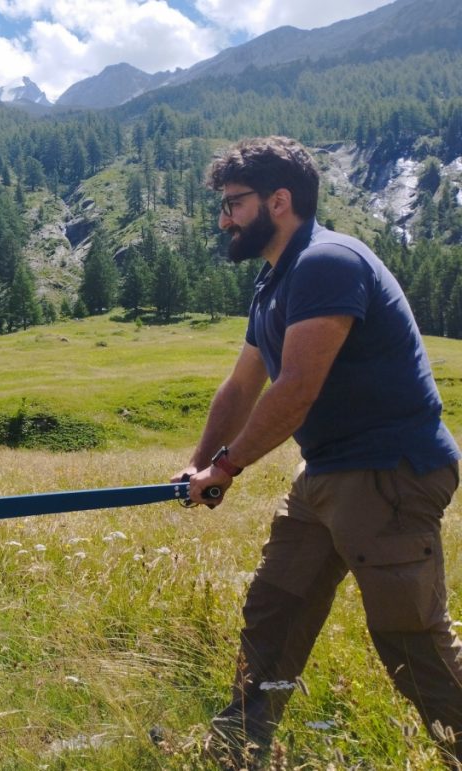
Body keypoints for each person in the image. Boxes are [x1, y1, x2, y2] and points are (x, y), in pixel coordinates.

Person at [174, 135, 462, 769]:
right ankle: (238, 746)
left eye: (234, 204)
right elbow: (242, 384)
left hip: (388, 470)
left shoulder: (326, 262)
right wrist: (201, 462)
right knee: (277, 607)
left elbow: (297, 388)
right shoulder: (274, 280)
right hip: (328, 473)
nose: (224, 218)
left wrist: (228, 467)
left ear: (280, 200)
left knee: (409, 637)